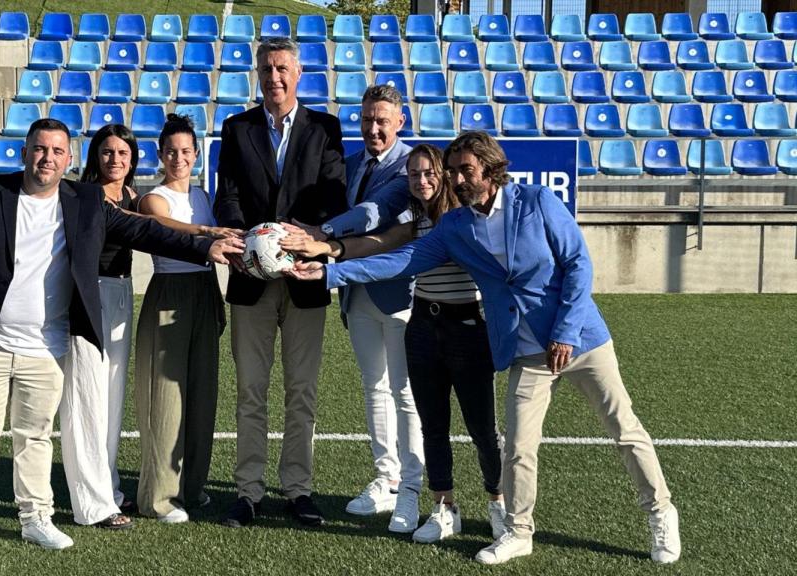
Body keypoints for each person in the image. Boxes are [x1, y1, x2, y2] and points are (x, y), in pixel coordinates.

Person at [288, 131, 681, 565]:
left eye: (465, 170)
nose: (456, 179)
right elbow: (405, 258)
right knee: (516, 446)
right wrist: (329, 273)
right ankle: (518, 531)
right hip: (527, 352)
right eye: (452, 171)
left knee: (624, 431)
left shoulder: (537, 202)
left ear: (491, 170)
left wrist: (565, 332)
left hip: (580, 340)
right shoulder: (455, 226)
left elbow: (577, 264)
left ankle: (661, 512)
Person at [0, 118, 243, 556]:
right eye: (40, 149)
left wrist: (203, 246)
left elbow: (143, 230)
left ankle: (35, 517)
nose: (48, 158)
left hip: (46, 344)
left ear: (69, 159)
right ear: (24, 152)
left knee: (35, 437)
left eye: (58, 152)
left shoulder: (83, 200)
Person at [281, 143, 505, 543]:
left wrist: (329, 261)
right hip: (425, 321)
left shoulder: (464, 219)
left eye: (429, 173)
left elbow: (404, 258)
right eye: (415, 175)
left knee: (482, 428)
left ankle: (499, 503)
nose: (421, 181)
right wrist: (328, 259)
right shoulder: (417, 217)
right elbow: (380, 246)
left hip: (468, 327)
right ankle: (440, 505)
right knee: (432, 423)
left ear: (446, 174)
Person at [213, 36, 348, 528]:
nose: (274, 77)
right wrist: (251, 244)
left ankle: (297, 489)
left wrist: (304, 238)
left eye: (282, 68)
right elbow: (227, 196)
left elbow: (333, 197)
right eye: (267, 68)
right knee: (250, 390)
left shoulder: (325, 129)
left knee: (302, 391)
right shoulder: (237, 128)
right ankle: (247, 491)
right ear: (258, 73)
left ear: (298, 74)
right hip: (250, 280)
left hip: (305, 277)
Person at [291, 85, 425, 533]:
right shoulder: (351, 165)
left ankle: (411, 486)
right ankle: (385, 477)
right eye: (367, 119)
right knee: (375, 388)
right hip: (356, 293)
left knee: (406, 393)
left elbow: (373, 212)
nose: (373, 128)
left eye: (382, 120)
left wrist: (320, 233)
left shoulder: (411, 166)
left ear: (399, 122)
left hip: (399, 294)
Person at [134, 114, 239, 523]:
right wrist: (206, 232)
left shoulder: (204, 197)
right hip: (169, 294)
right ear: (160, 156)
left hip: (205, 291)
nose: (179, 158)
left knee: (201, 396)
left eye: (186, 151)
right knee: (166, 400)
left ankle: (191, 488)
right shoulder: (153, 197)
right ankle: (158, 498)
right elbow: (162, 226)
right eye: (171, 152)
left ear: (197, 155)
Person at [58, 124, 139, 532]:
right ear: (95, 157)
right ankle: (90, 503)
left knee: (111, 400)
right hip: (88, 296)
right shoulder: (79, 195)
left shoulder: (135, 199)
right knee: (85, 398)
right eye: (107, 152)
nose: (115, 160)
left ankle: (108, 487)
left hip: (123, 296)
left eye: (123, 153)